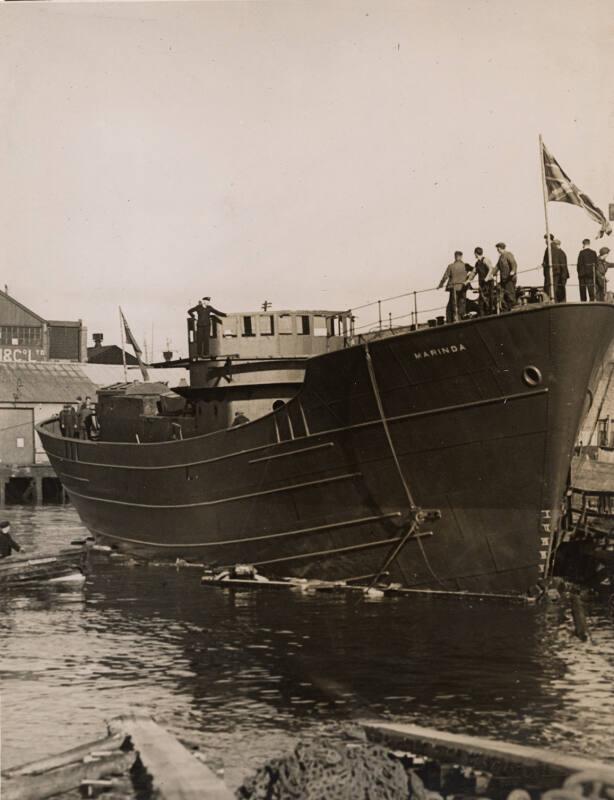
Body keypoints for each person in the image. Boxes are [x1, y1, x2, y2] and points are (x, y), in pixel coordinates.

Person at [438, 251, 471, 322]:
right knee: (462, 303)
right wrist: (468, 279)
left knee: (452, 304)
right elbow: (474, 270)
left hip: (454, 288)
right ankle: (461, 318)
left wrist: (440, 285)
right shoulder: (465, 266)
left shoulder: (451, 266)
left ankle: (452, 320)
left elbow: (445, 277)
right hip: (463, 287)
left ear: (455, 257)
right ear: (461, 257)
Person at [543, 237, 569, 303]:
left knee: (558, 292)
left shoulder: (561, 253)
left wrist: (563, 278)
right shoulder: (558, 252)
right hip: (558, 275)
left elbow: (563, 267)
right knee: (556, 292)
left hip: (559, 276)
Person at [494, 242, 518, 311]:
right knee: (504, 294)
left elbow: (514, 263)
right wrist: (491, 274)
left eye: (497, 248)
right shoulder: (501, 257)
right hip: (504, 279)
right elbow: (497, 267)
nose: (497, 250)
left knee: (510, 294)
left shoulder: (508, 254)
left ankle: (513, 308)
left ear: (500, 248)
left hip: (509, 279)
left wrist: (513, 271)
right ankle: (507, 309)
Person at [473, 247, 495, 316]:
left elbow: (491, 269)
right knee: (481, 299)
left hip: (488, 282)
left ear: (476, 253)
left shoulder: (485, 260)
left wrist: (487, 278)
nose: (474, 255)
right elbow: (474, 272)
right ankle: (482, 314)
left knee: (490, 297)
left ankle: (491, 312)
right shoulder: (477, 263)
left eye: (475, 253)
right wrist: (468, 280)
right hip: (482, 283)